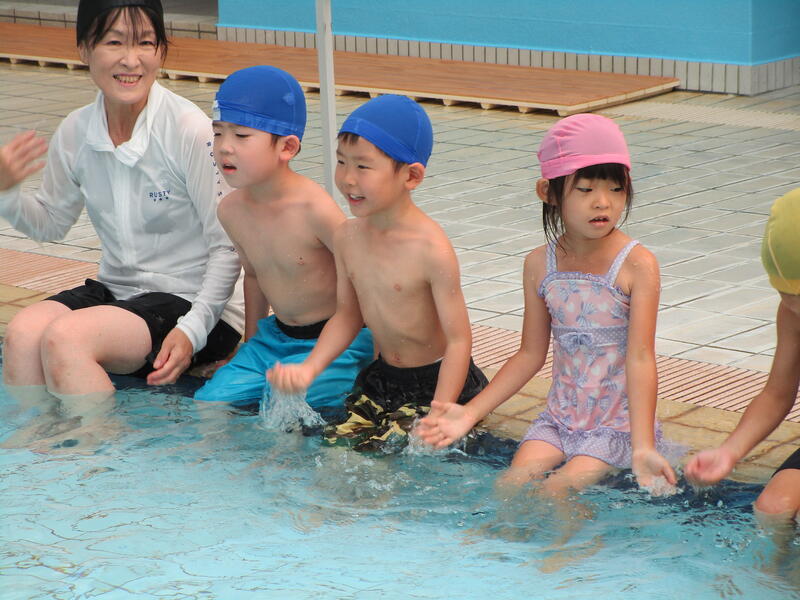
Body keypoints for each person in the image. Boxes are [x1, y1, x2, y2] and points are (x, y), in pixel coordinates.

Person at [0, 0, 243, 431]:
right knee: (22, 333)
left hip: (197, 303)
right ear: (84, 49)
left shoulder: (188, 129)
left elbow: (228, 247)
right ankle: (36, 447)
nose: (132, 60)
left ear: (161, 51)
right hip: (120, 295)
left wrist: (192, 330)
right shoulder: (76, 131)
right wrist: (6, 191)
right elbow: (50, 223)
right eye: (114, 43)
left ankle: (99, 453)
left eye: (145, 43)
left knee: (68, 338)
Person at [417, 114, 678, 494]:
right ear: (549, 192)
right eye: (585, 189)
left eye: (616, 189)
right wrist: (469, 413)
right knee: (509, 485)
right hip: (559, 420)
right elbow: (529, 354)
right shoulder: (540, 265)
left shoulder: (637, 265)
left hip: (617, 426)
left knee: (557, 490)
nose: (603, 202)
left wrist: (642, 446)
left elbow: (641, 358)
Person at [268, 94, 487, 452]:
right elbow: (347, 316)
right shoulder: (348, 237)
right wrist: (309, 369)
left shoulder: (431, 249)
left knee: (386, 459)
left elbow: (459, 341)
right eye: (341, 162)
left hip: (437, 383)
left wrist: (440, 412)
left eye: (363, 167)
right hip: (382, 379)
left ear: (411, 176)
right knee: (334, 452)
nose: (347, 179)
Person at [193, 65, 373, 411]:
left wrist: (383, 359)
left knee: (290, 407)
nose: (225, 147)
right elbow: (254, 277)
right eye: (218, 133)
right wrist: (249, 346)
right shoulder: (231, 210)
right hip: (274, 340)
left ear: (287, 147)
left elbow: (365, 278)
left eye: (241, 136)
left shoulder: (314, 209)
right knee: (210, 403)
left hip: (337, 341)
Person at [686, 187, 800, 533]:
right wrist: (729, 452)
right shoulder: (793, 315)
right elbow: (777, 394)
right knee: (772, 509)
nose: (797, 309)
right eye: (788, 298)